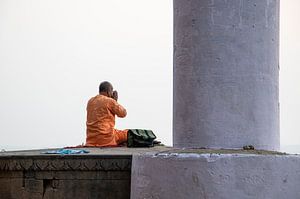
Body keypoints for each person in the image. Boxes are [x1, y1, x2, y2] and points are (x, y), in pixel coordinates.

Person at [85, 81, 128, 147]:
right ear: (109, 92)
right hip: (106, 139)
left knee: (117, 132)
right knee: (128, 133)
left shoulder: (90, 101)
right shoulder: (109, 101)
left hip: (91, 140)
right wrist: (115, 101)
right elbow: (123, 113)